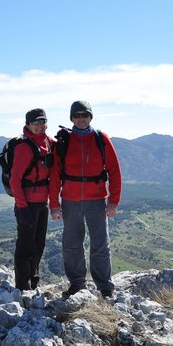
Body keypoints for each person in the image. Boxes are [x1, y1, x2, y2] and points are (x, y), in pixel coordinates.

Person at [49, 100, 122, 299]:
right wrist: (54, 205)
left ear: (91, 117)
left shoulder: (101, 139)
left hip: (97, 200)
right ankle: (77, 283)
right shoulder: (64, 141)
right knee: (71, 243)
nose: (81, 119)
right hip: (70, 200)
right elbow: (55, 175)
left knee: (100, 243)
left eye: (85, 115)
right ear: (71, 118)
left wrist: (113, 201)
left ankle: (105, 286)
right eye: (77, 115)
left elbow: (114, 171)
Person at [10, 108, 54, 291]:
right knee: (26, 245)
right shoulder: (24, 147)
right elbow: (14, 180)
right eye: (35, 123)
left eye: (42, 122)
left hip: (42, 202)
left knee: (39, 244)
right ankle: (22, 285)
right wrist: (22, 207)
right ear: (27, 125)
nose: (39, 126)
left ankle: (33, 281)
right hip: (27, 204)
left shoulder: (48, 142)